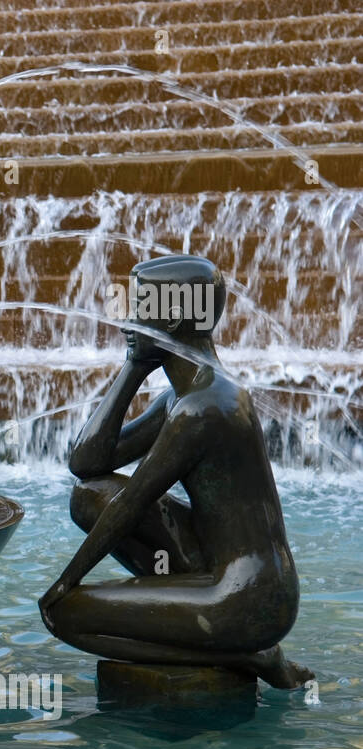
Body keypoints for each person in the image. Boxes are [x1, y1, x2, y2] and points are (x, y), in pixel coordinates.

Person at [38, 255, 312, 688]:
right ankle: (197, 621)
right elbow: (87, 463)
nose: (127, 320)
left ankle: (252, 656)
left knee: (66, 616)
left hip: (248, 596)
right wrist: (133, 366)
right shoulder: (180, 398)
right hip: (211, 563)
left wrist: (66, 582)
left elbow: (133, 503)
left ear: (176, 320)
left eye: (141, 309)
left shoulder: (203, 408)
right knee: (89, 495)